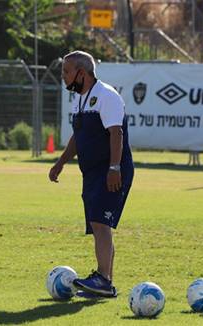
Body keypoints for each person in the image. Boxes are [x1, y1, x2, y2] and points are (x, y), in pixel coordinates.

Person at [49, 51, 134, 297]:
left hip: (111, 171)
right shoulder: (79, 99)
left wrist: (114, 168)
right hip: (92, 173)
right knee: (98, 225)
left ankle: (104, 280)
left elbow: (116, 134)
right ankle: (104, 282)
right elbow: (79, 137)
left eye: (66, 71)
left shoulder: (107, 95)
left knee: (100, 222)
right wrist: (61, 162)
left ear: (81, 73)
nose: (63, 76)